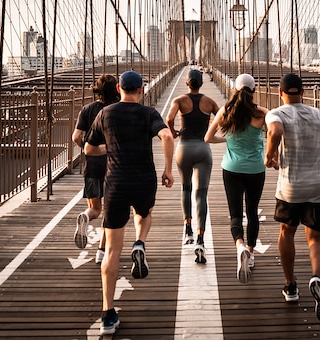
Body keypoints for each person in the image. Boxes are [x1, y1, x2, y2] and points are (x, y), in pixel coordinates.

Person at [84, 70, 174, 335]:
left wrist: (108, 149)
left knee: (111, 250)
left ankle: (108, 315)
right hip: (143, 180)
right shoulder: (149, 114)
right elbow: (167, 137)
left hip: (115, 184)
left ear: (120, 88)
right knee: (144, 215)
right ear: (142, 90)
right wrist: (168, 170)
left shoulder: (105, 113)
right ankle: (140, 242)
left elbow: (88, 148)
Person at [264, 73, 320, 323]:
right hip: (318, 187)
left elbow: (275, 131)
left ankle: (290, 286)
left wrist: (270, 154)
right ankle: (317, 278)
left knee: (286, 233)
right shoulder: (318, 114)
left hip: (291, 187)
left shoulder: (277, 113)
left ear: (281, 92)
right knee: (316, 238)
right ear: (303, 92)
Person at [205, 74, 268, 283]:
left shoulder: (225, 112)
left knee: (235, 213)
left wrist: (227, 140)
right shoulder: (260, 114)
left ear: (234, 89)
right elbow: (278, 126)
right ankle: (250, 254)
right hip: (255, 170)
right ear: (254, 91)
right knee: (252, 212)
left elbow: (207, 137)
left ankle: (239, 245)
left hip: (231, 169)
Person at [166, 69, 219, 264]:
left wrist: (174, 133)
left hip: (184, 148)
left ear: (187, 83)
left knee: (186, 188)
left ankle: (187, 228)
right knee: (201, 194)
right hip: (203, 149)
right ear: (201, 84)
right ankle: (200, 239)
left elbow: (169, 118)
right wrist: (211, 133)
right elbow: (222, 117)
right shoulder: (209, 102)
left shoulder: (179, 100)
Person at [72, 74, 120, 263]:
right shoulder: (118, 110)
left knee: (95, 209)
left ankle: (85, 217)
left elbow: (76, 137)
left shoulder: (87, 109)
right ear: (117, 89)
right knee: (110, 212)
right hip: (114, 166)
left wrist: (87, 149)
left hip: (91, 165)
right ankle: (101, 253)